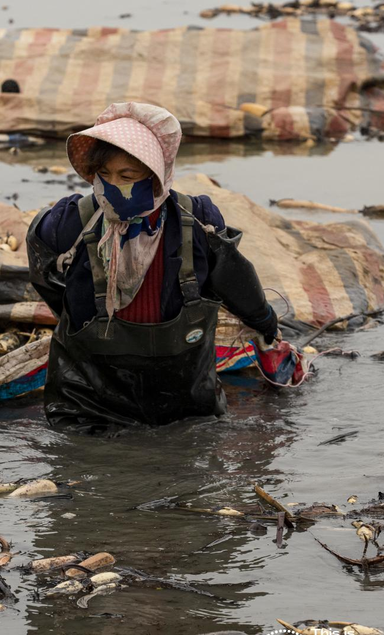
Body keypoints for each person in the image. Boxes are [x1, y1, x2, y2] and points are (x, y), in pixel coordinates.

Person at [26, 102, 279, 431]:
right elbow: (45, 278)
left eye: (127, 176)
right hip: (88, 402)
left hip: (184, 402)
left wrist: (264, 321)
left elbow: (231, 278)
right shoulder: (67, 223)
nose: (111, 186)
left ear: (157, 176)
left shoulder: (197, 223)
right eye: (104, 175)